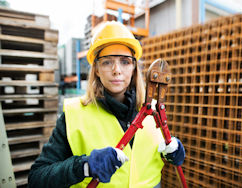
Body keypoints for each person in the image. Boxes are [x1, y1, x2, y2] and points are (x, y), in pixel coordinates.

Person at [28, 21, 185, 188]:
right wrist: (84, 166)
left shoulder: (152, 110)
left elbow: (149, 156)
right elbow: (37, 178)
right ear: (96, 69)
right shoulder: (74, 115)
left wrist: (170, 153)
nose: (116, 69)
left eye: (125, 62)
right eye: (107, 62)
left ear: (133, 68)